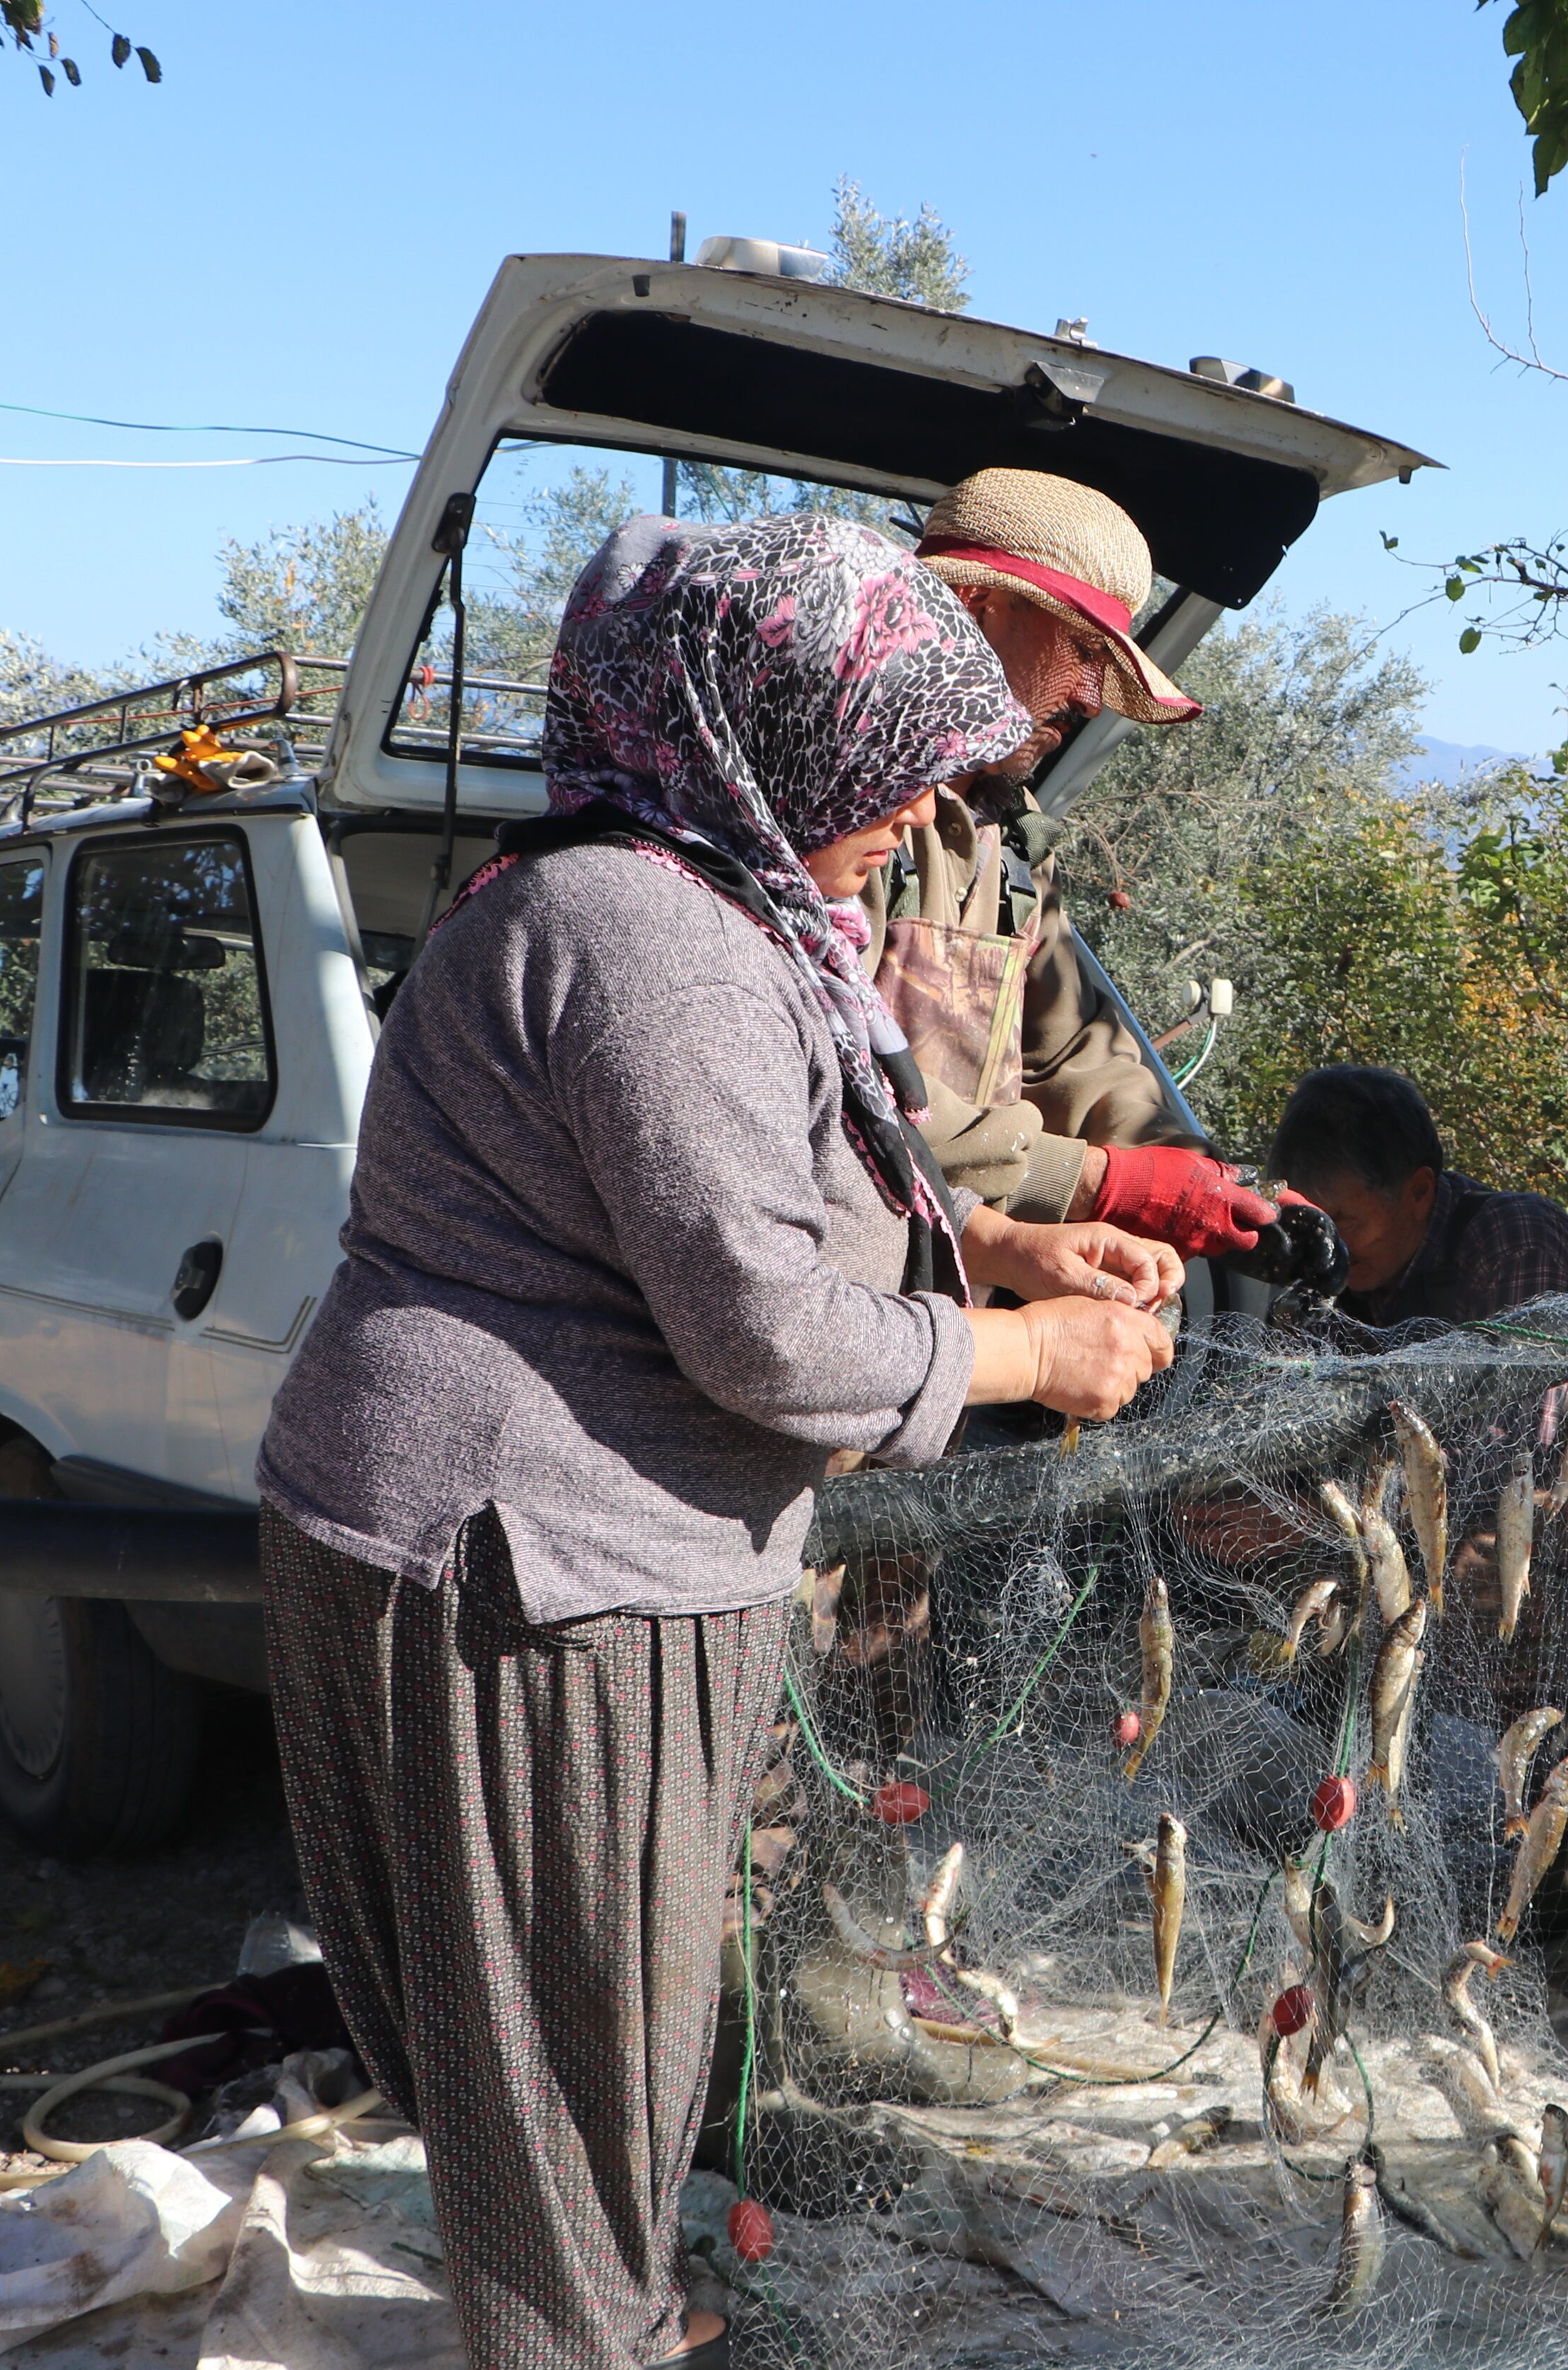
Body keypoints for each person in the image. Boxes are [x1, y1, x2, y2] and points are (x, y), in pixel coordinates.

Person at [254, 514, 1180, 2370]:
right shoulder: (649, 932)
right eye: (881, 772)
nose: (902, 820)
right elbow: (764, 1327)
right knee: (567, 2043)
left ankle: (586, 2306)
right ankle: (581, 2336)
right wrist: (1030, 1347)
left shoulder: (680, 897)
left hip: (513, 1534)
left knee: (550, 2041)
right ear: (766, 730)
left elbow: (751, 1199)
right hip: (535, 1571)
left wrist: (984, 1238)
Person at [863, 467, 1337, 1289]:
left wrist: (1209, 1189)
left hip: (942, 1311)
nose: (1089, 698)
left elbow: (1071, 1054)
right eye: (1081, 651)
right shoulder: (849, 818)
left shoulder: (1008, 844)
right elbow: (830, 1086)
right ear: (979, 611)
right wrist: (1097, 1182)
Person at [1266, 1064, 1568, 1327]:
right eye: (1311, 1224)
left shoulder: (1515, 1243)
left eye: (1344, 1223)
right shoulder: (1340, 1269)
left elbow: (1523, 1418)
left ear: (1419, 1192)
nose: (1327, 1246)